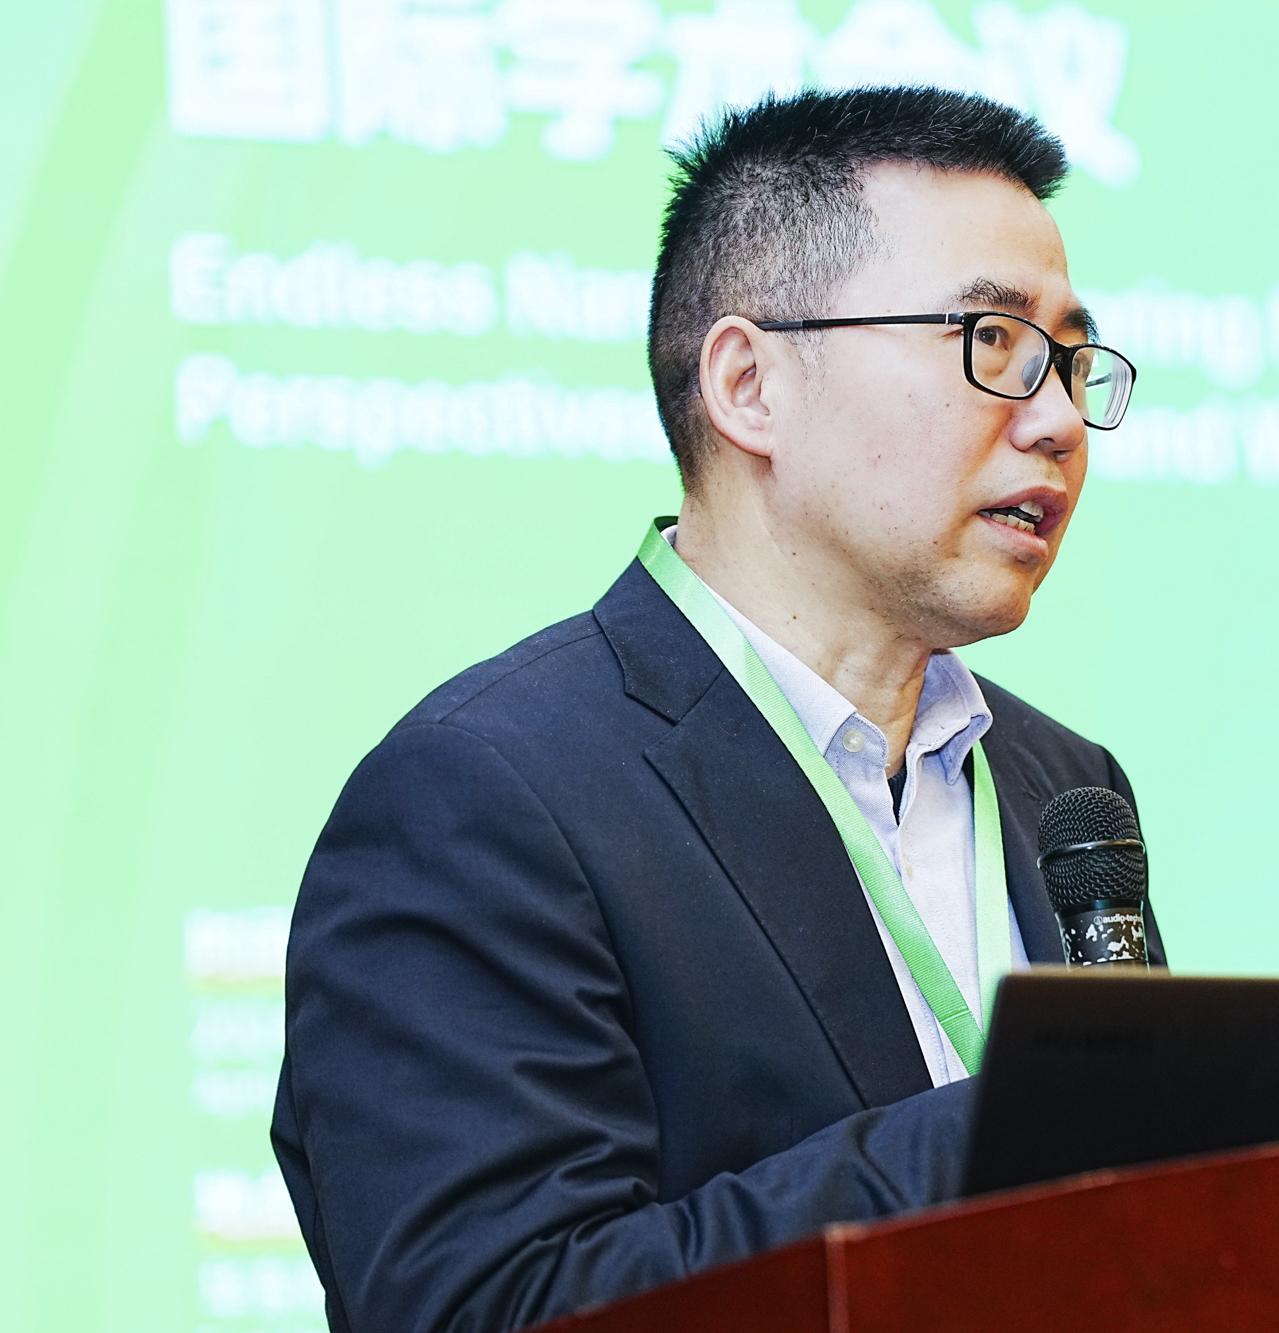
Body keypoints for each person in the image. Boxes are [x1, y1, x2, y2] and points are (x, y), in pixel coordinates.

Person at [273, 86, 1162, 1333]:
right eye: (992, 341)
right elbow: (494, 1303)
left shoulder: (1061, 783)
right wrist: (1011, 1136)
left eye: (1069, 360)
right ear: (749, 384)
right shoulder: (485, 796)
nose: (1060, 420)